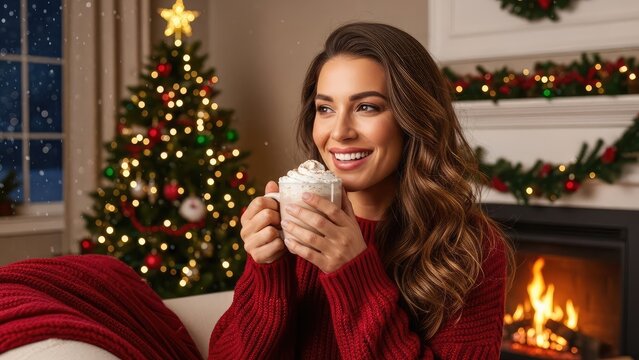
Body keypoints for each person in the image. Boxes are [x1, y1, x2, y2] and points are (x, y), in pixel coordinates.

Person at [209, 22, 512, 359]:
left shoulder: (468, 246)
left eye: (366, 107)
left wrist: (353, 273)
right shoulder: (289, 228)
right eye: (325, 109)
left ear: (412, 118)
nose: (339, 132)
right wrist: (266, 272)